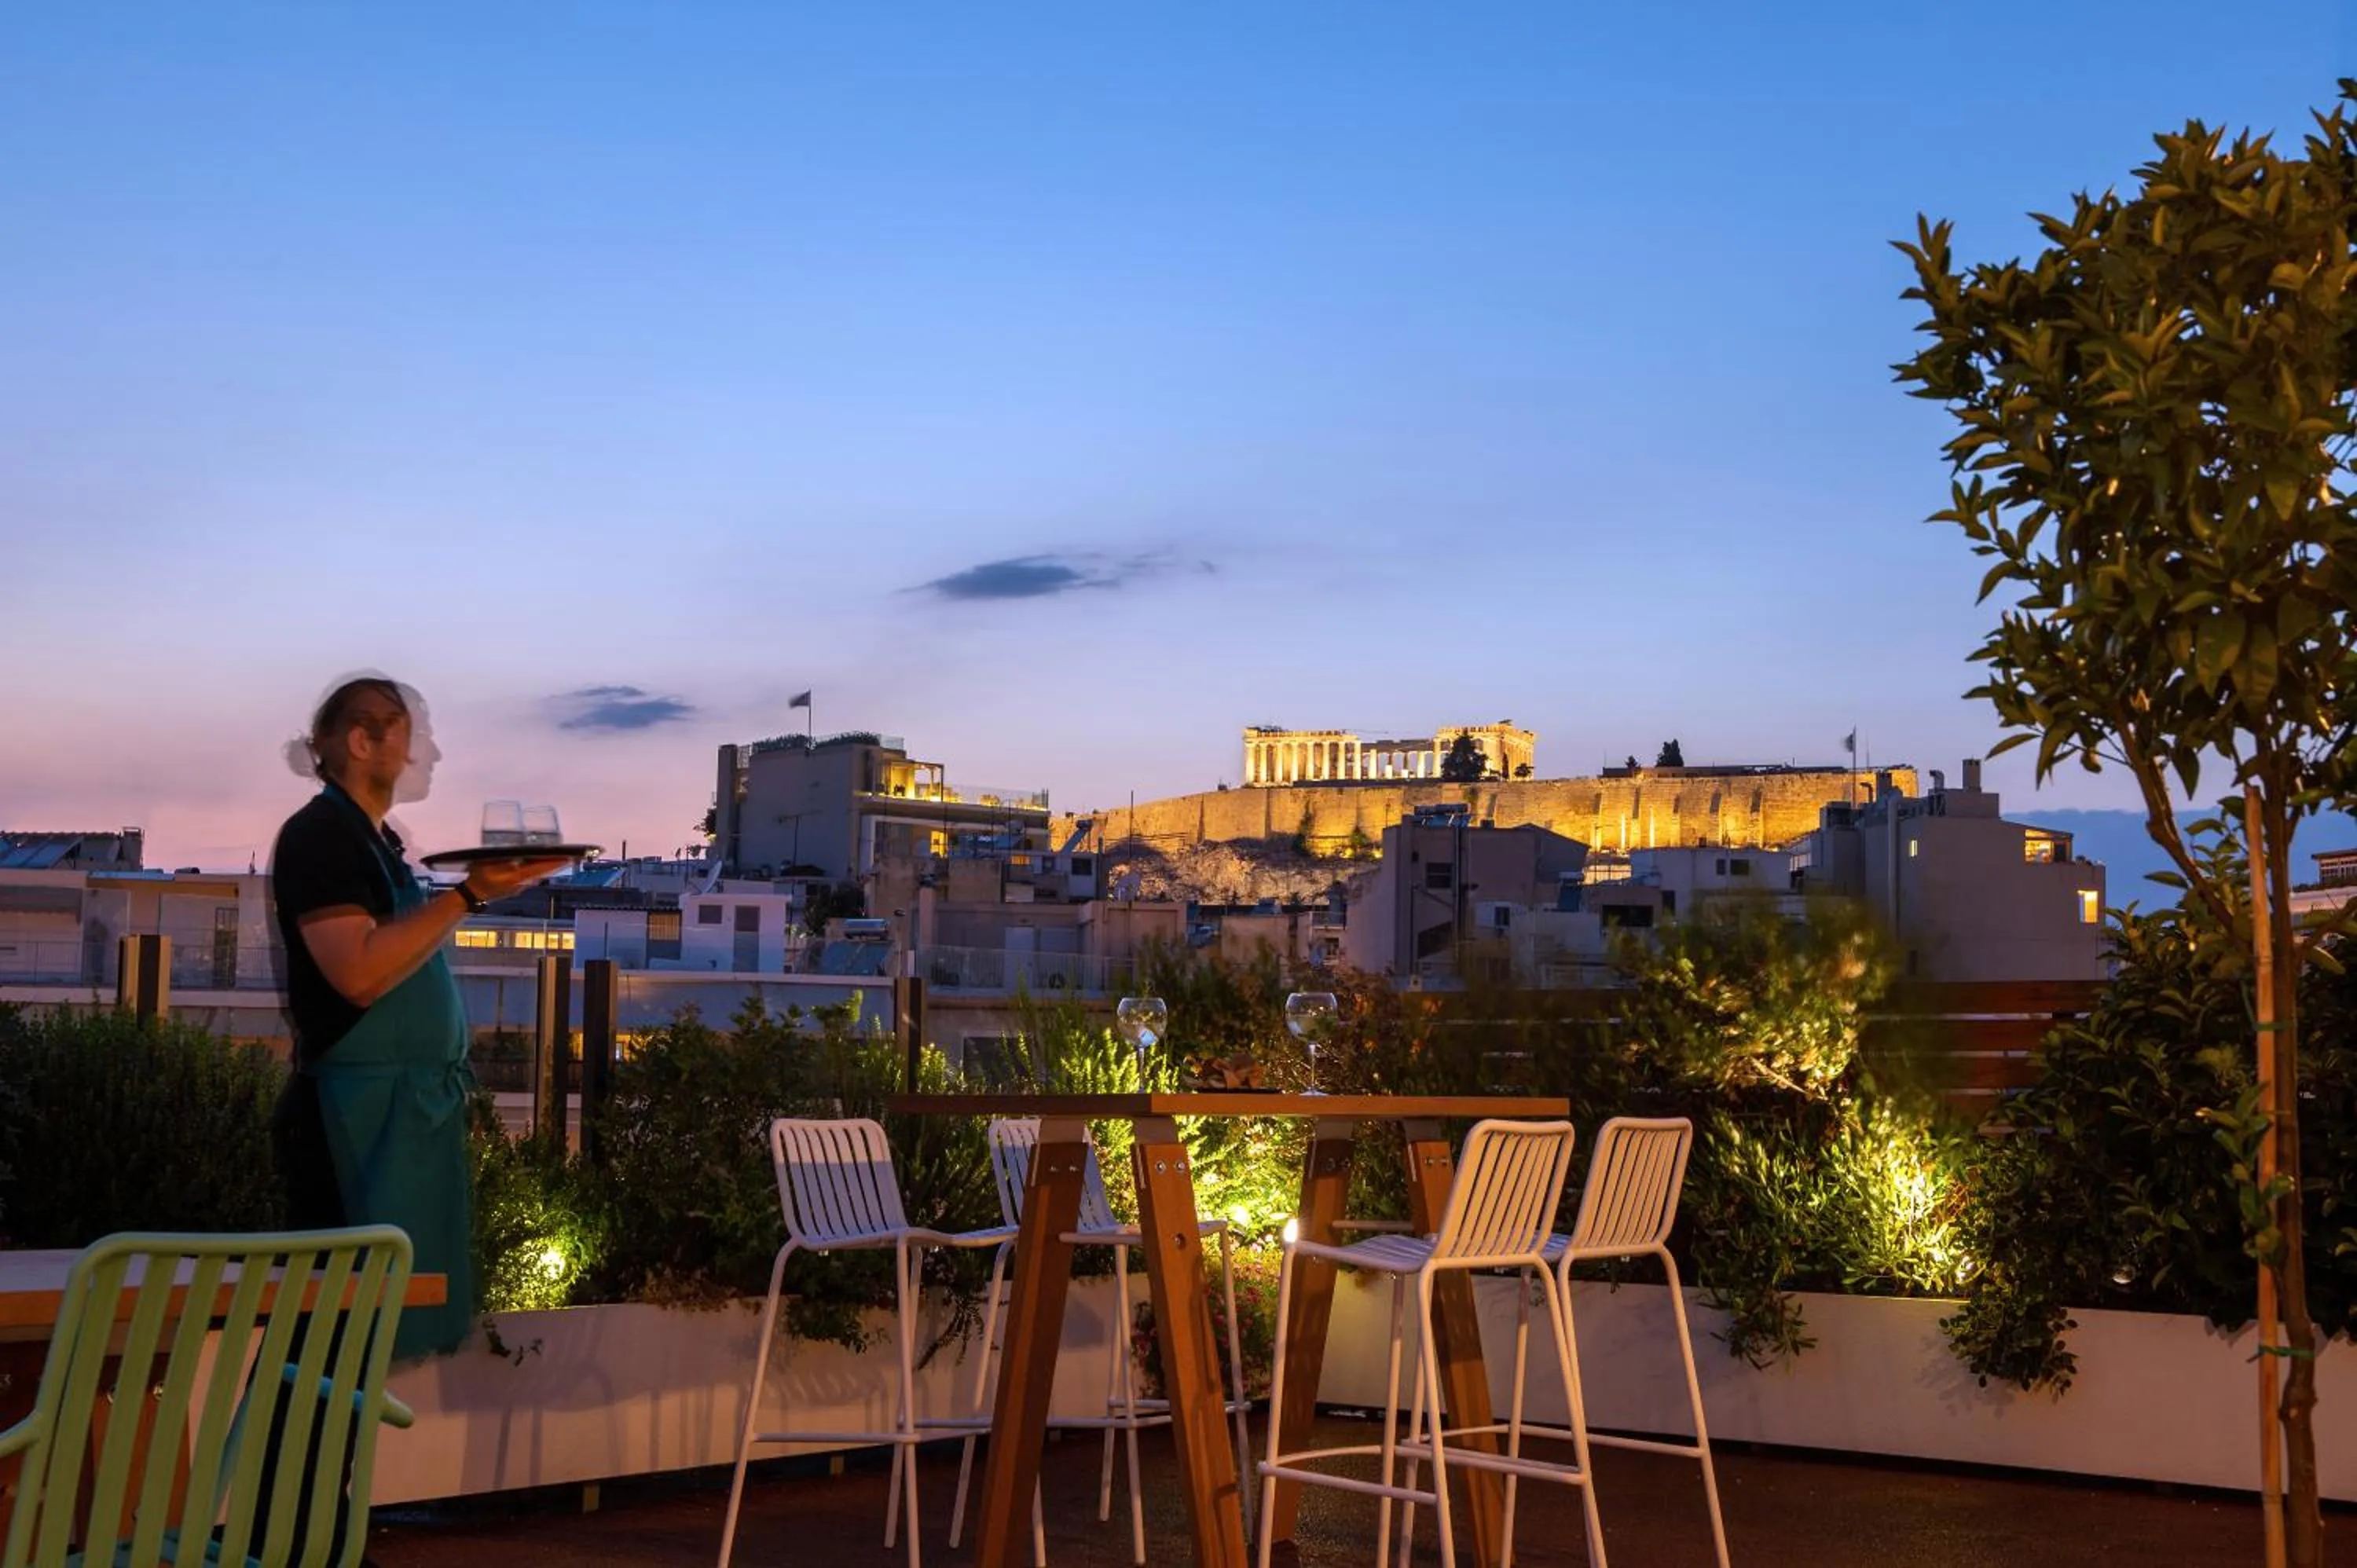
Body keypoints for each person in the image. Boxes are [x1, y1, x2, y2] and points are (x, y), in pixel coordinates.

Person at [270, 675, 566, 1361]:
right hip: (351, 1127)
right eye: (409, 735)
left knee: (364, 1352)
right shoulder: (320, 835)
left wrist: (474, 893)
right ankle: (279, 1471)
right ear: (361, 740)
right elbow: (359, 972)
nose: (424, 754)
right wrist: (467, 895)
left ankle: (327, 1471)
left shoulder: (376, 841)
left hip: (397, 1117)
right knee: (326, 1345)